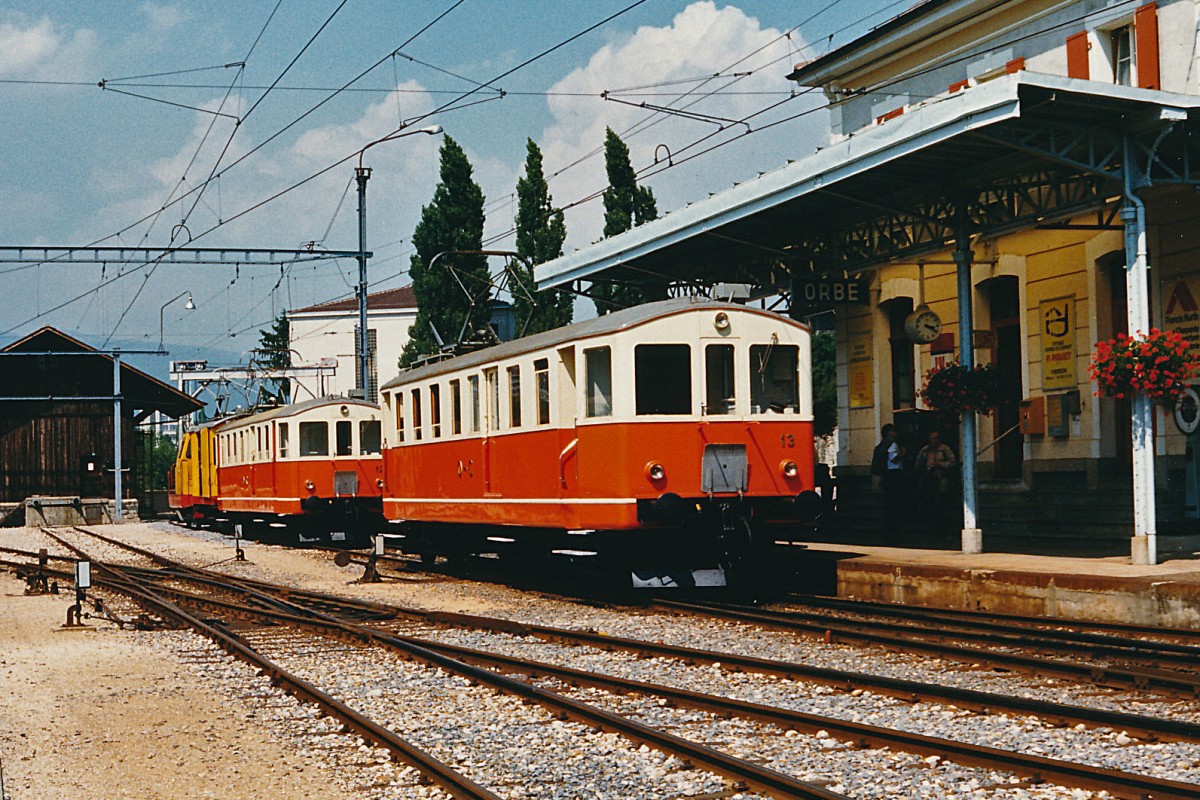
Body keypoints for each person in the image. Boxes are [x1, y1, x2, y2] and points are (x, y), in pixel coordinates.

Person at [915, 430, 957, 535]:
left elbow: (953, 462)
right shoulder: (924, 450)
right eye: (933, 438)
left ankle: (941, 530)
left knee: (940, 505)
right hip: (927, 480)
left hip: (940, 479)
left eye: (937, 438)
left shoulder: (944, 449)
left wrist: (939, 464)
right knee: (928, 504)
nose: (935, 440)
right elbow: (917, 464)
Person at [870, 424, 905, 541]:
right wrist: (903, 453)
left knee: (889, 505)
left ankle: (888, 532)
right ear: (889, 433)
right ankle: (894, 533)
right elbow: (894, 458)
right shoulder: (892, 444)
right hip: (894, 475)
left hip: (886, 476)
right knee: (895, 505)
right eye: (893, 431)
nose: (896, 434)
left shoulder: (881, 445)